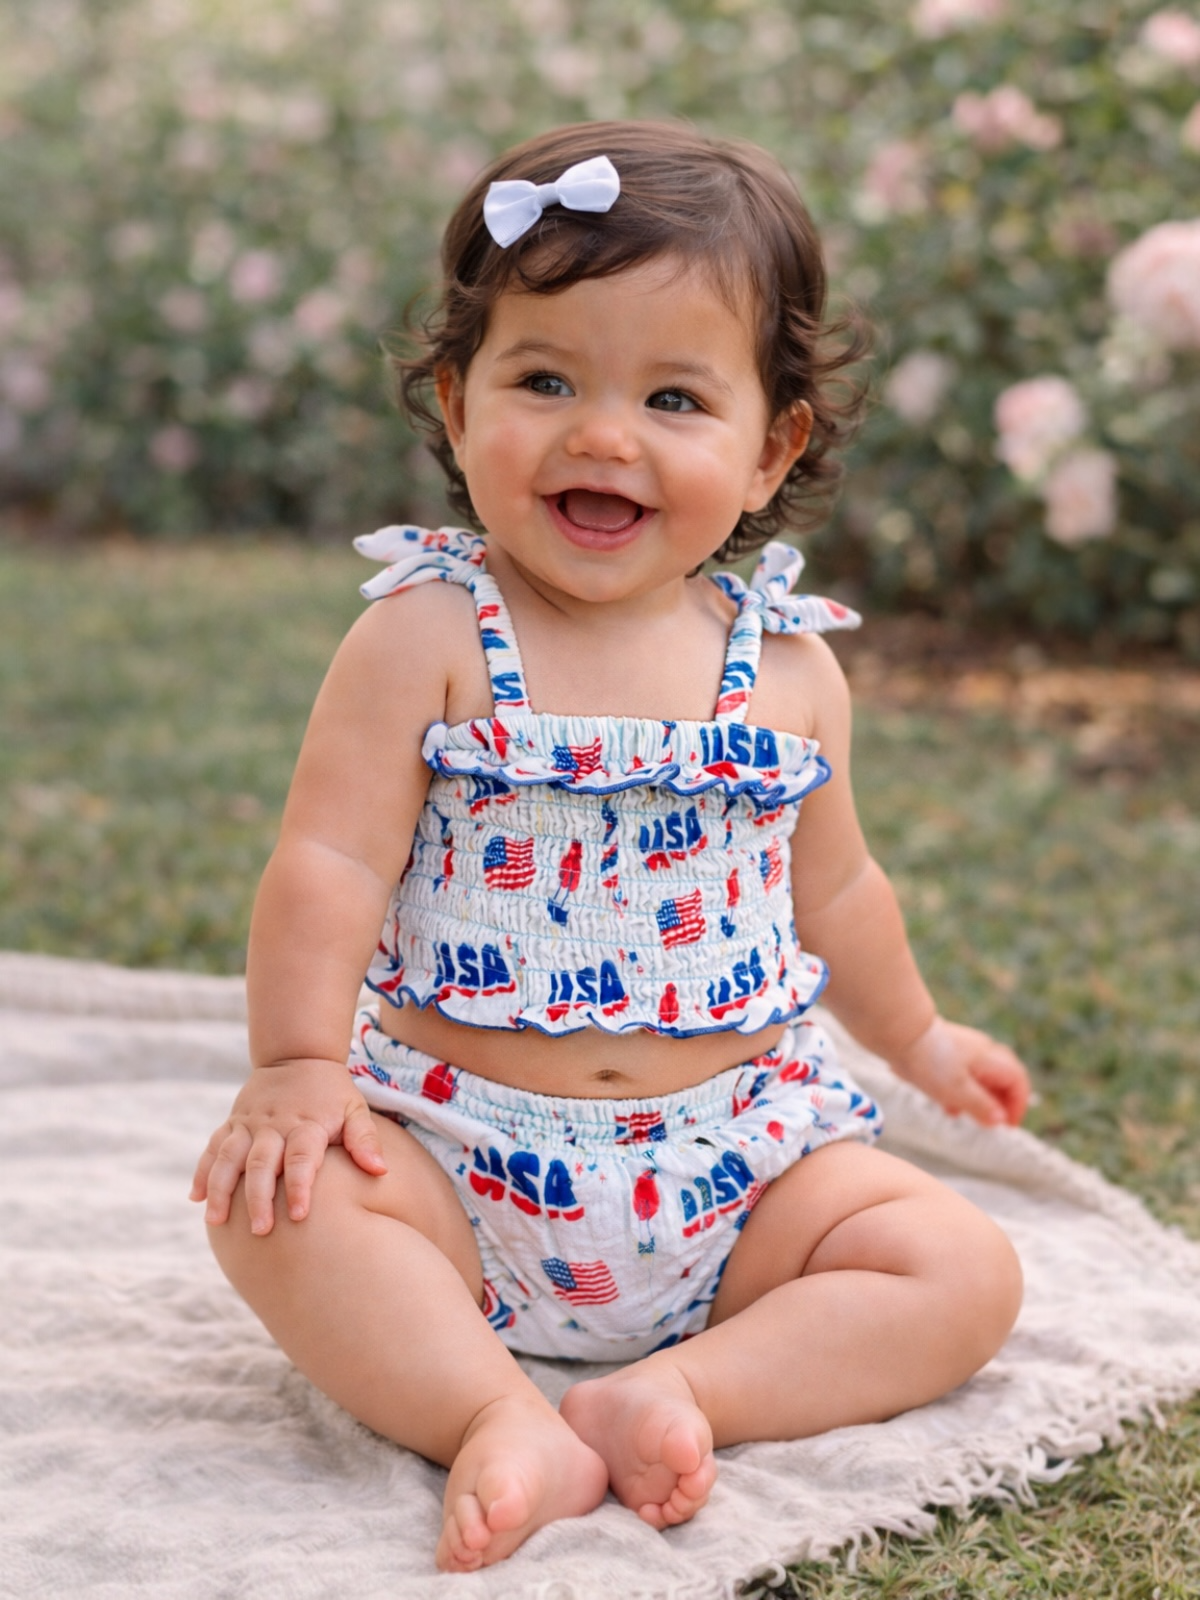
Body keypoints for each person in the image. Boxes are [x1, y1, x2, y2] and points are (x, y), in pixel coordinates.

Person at [192, 120, 1030, 1574]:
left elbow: (835, 889)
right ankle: (487, 1409)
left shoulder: (788, 670)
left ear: (772, 451)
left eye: (673, 397)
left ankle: (684, 1388)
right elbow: (328, 863)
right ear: (458, 408)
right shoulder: (432, 634)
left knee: (963, 1269)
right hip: (461, 1156)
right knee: (282, 1209)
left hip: (740, 1167)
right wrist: (297, 1068)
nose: (602, 434)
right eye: (546, 380)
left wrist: (924, 1038)